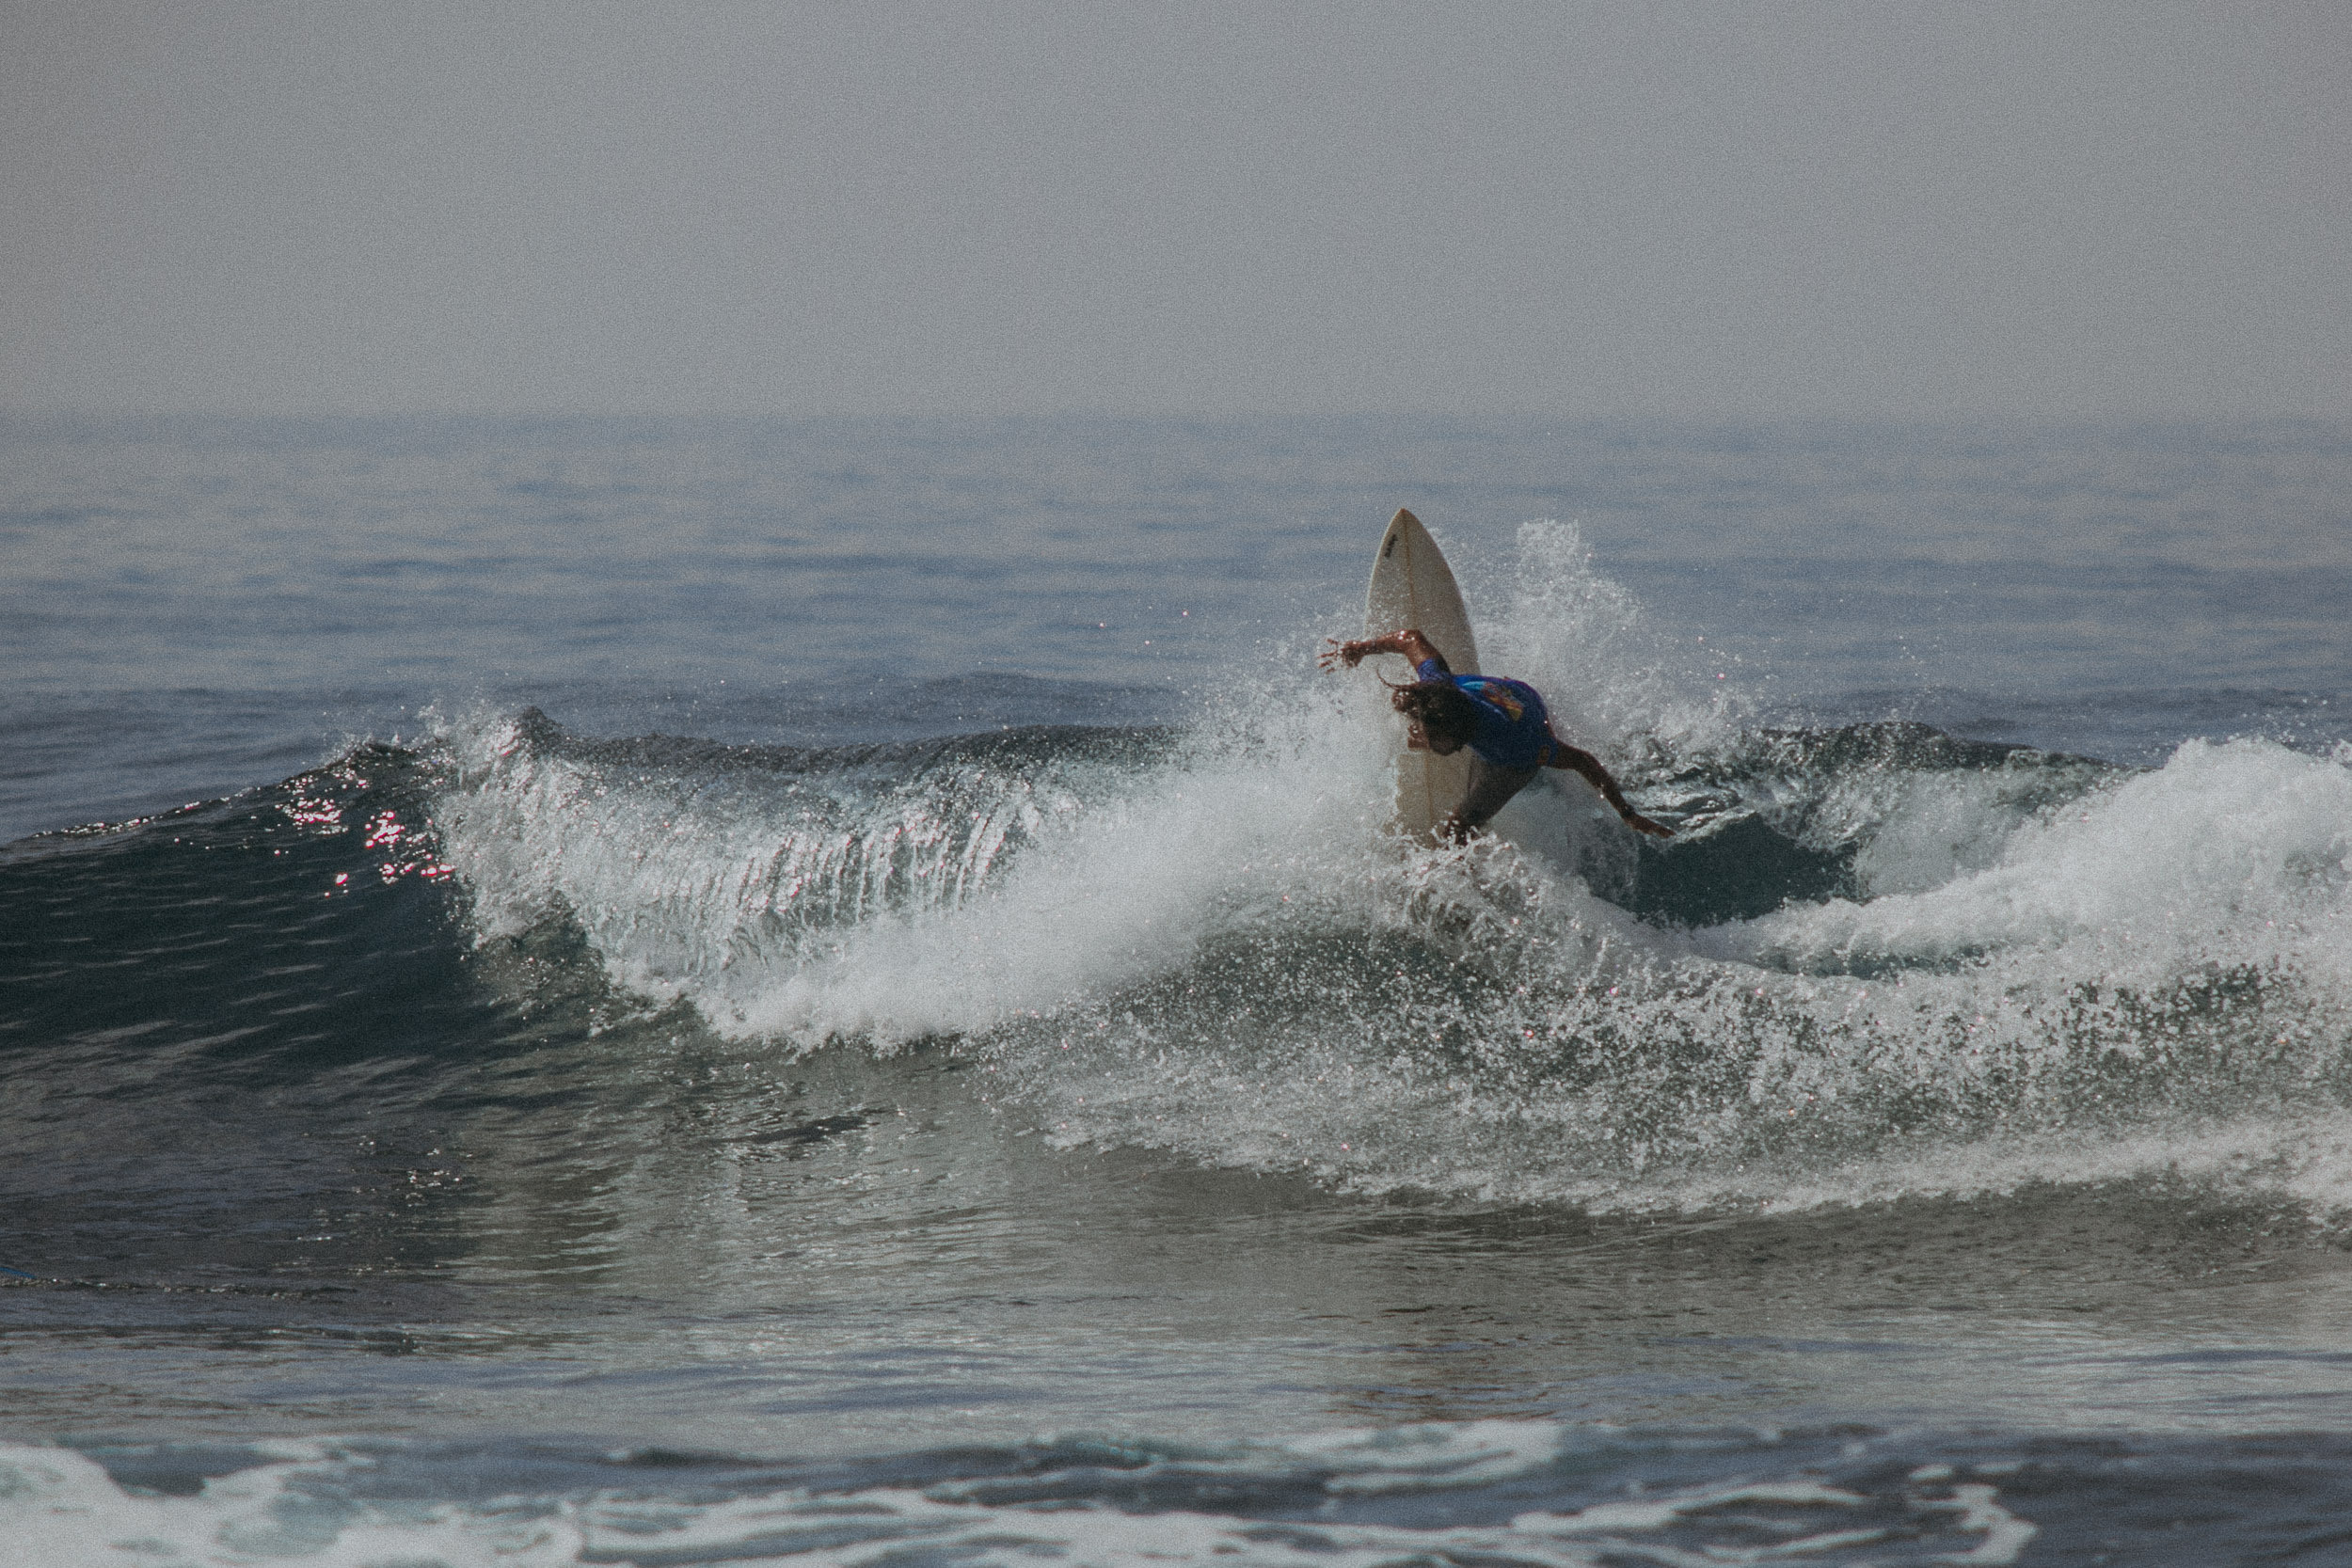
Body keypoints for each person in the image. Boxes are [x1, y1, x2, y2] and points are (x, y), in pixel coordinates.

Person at [1321, 628, 1674, 843]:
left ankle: (1462, 893)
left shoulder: (1516, 747)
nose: (1421, 735)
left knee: (1459, 829)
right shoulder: (1438, 687)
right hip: (1510, 691)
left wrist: (1627, 813)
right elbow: (1410, 637)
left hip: (1519, 741)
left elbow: (1582, 760)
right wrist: (1360, 648)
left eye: (1434, 737)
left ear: (1462, 738)